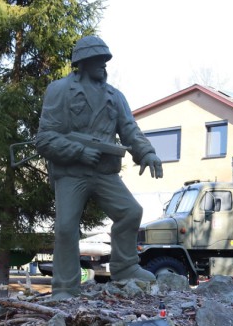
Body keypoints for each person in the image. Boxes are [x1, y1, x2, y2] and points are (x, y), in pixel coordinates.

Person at [36, 35, 162, 300]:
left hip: (104, 172)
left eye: (105, 61)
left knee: (130, 212)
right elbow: (45, 138)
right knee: (66, 227)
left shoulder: (115, 97)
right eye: (97, 61)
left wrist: (147, 152)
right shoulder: (59, 90)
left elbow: (130, 130)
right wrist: (79, 151)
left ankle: (125, 268)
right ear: (81, 63)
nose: (103, 66)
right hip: (72, 172)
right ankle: (65, 288)